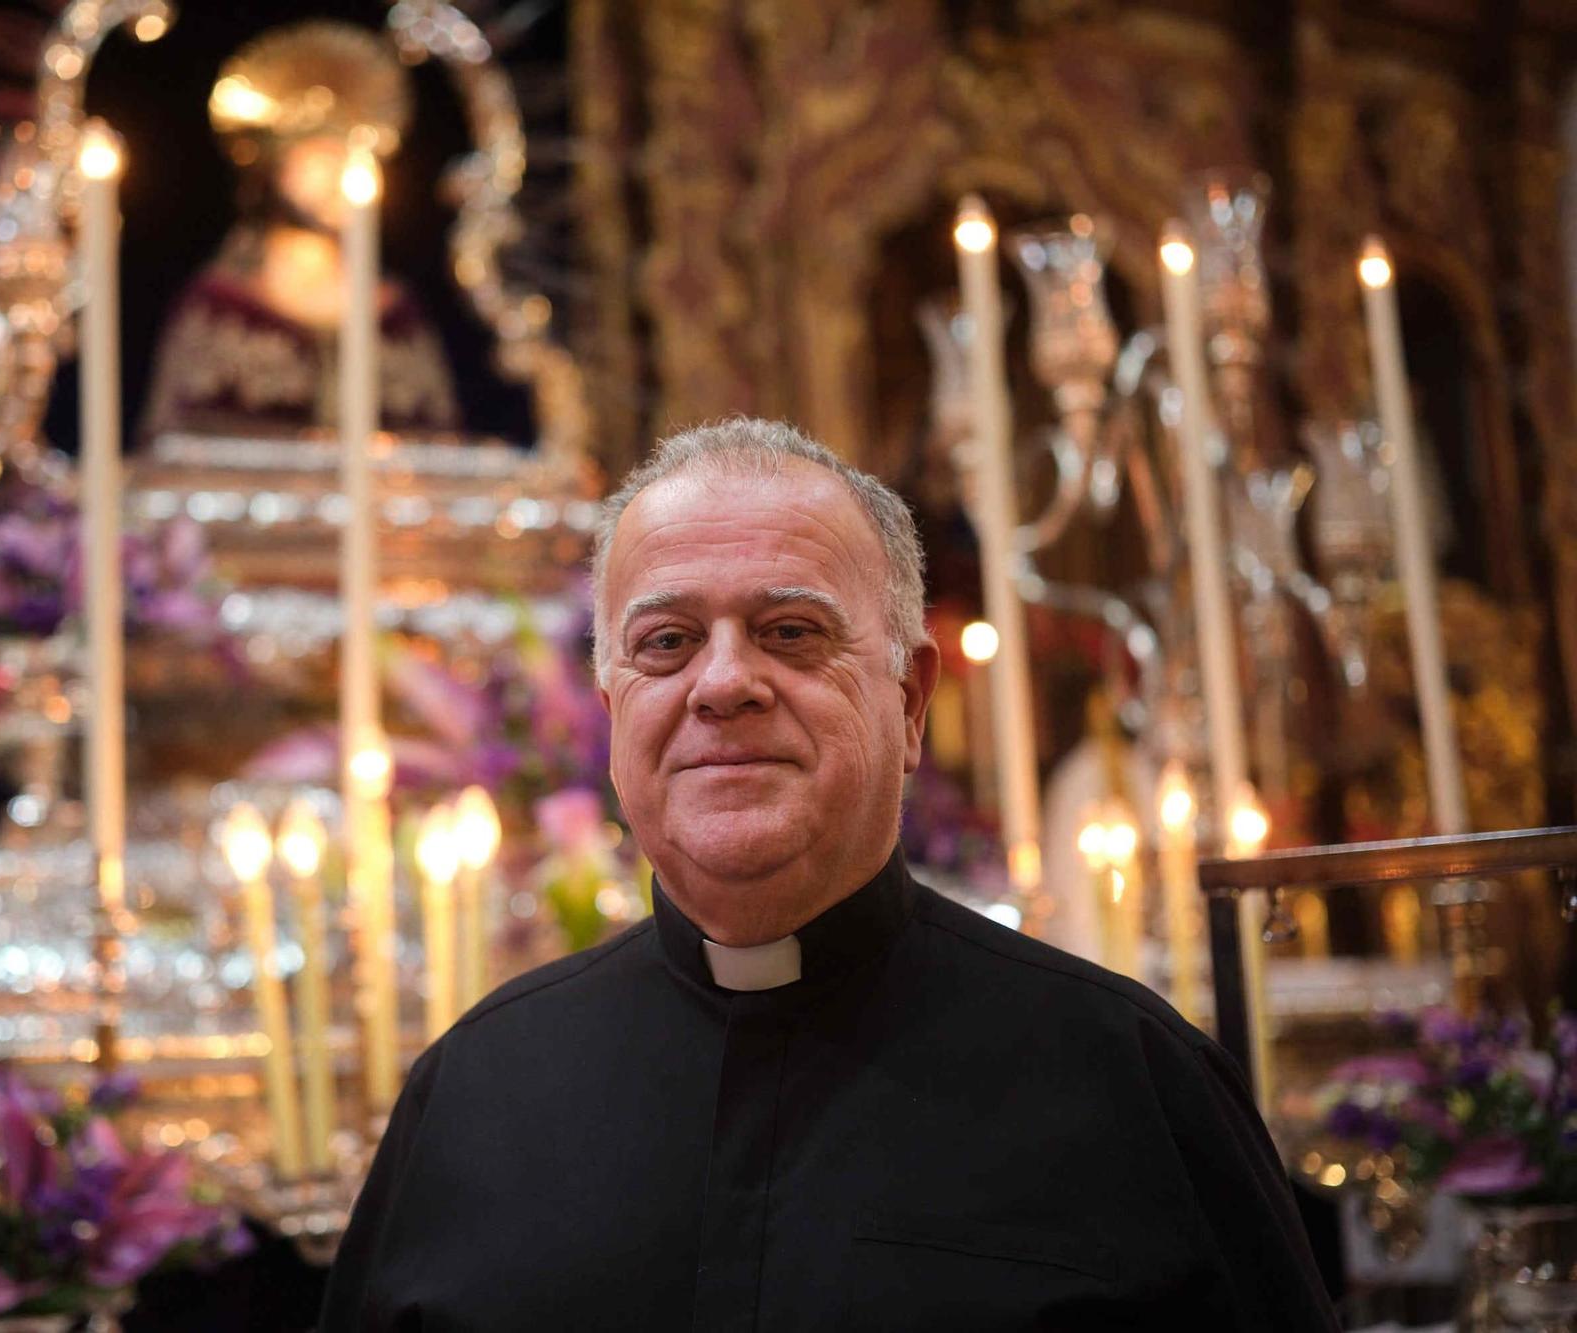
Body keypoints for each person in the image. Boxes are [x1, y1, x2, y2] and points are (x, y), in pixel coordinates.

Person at [321, 417, 1339, 1331]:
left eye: (790, 632)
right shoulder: (472, 1094)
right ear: (609, 705)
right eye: (667, 642)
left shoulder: (1132, 1085)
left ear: (907, 702)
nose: (721, 683)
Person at [141, 21, 459, 442]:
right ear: (274, 170)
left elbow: (439, 443)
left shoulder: (396, 315)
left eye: (346, 158)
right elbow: (177, 444)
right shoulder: (219, 307)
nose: (335, 177)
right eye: (316, 159)